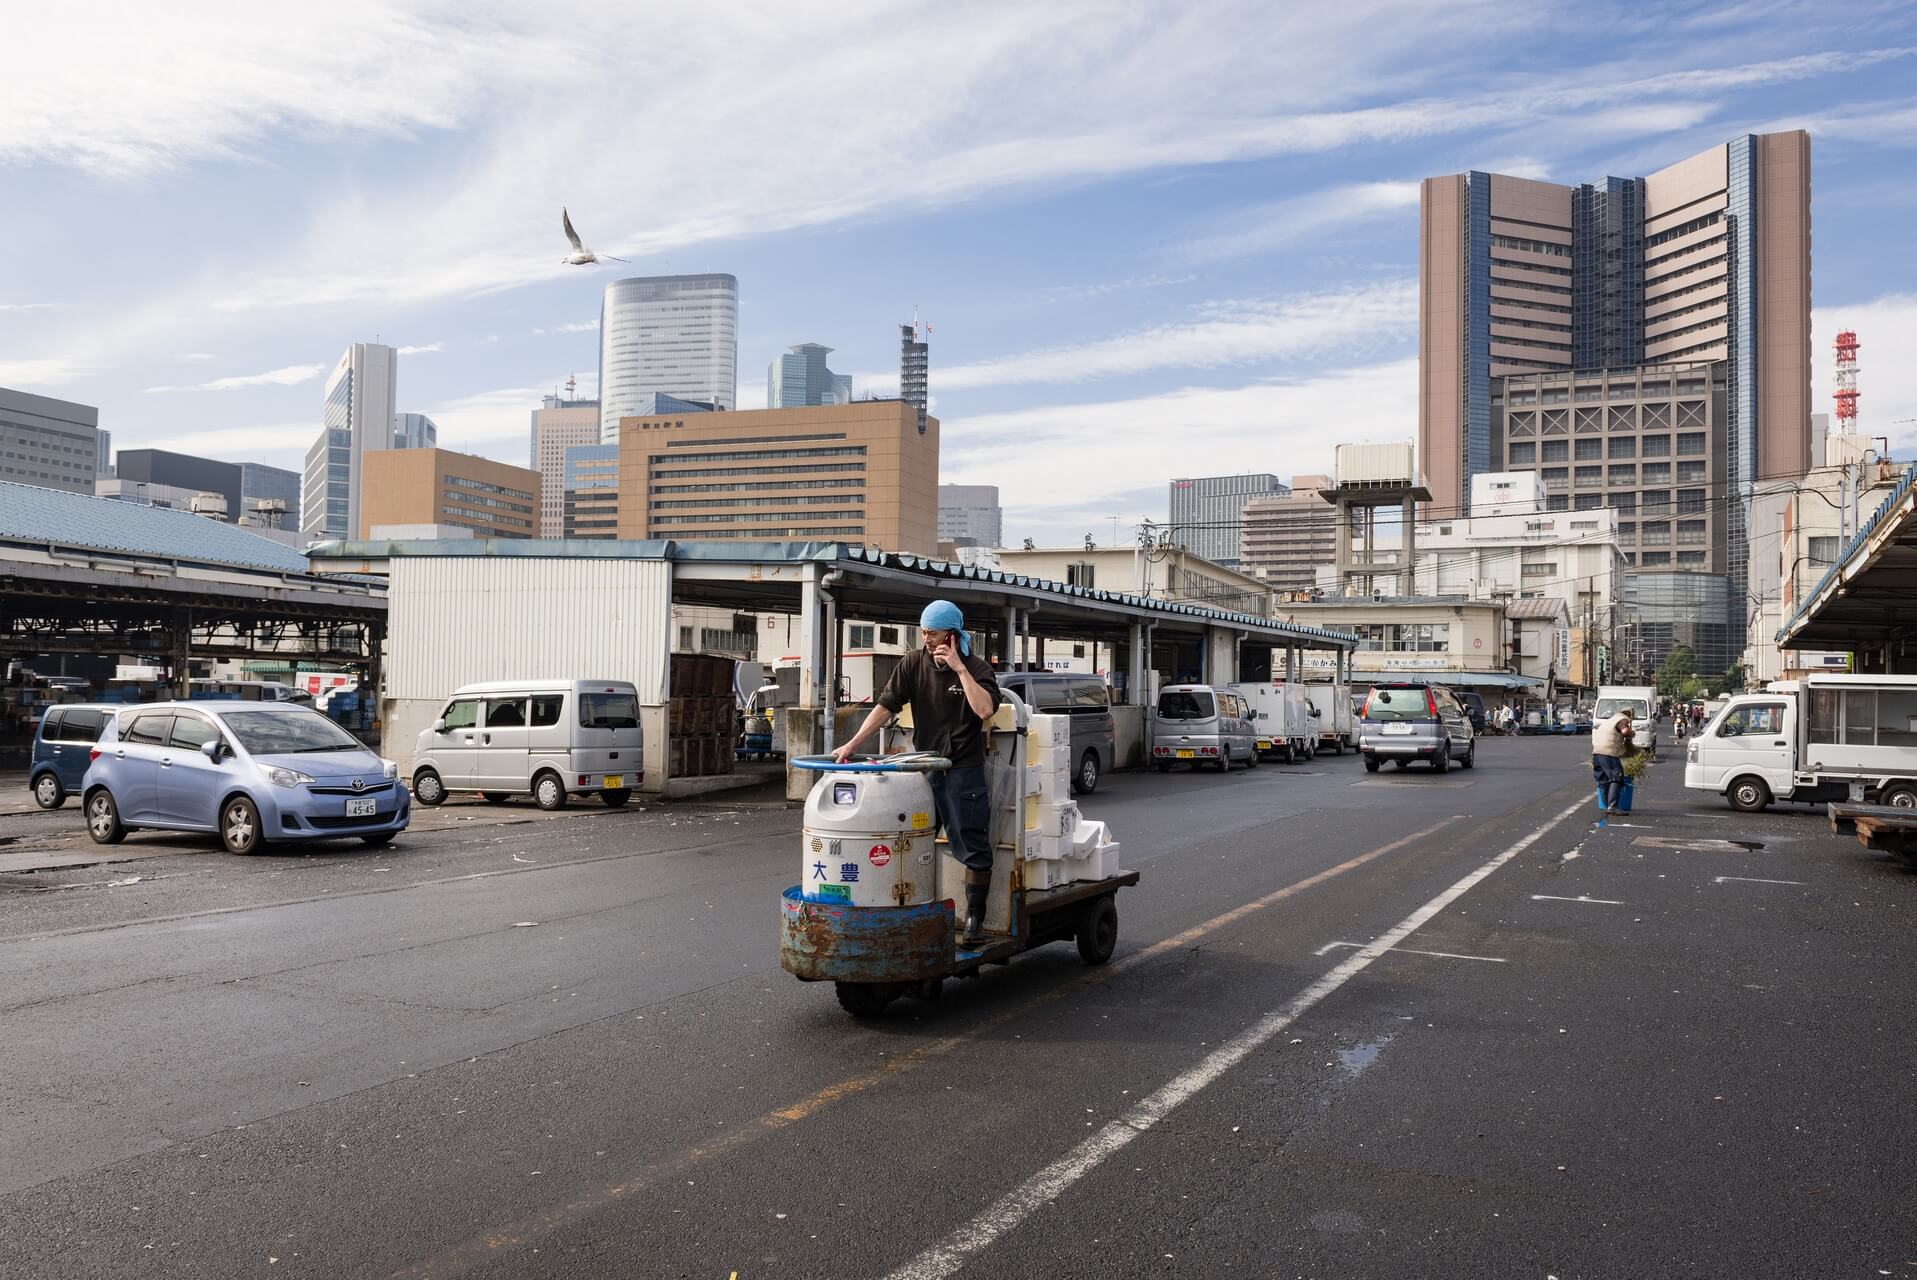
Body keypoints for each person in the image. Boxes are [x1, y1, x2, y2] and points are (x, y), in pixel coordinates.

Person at [834, 600, 1002, 943]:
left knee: (971, 843)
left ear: (953, 635)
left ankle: (974, 921)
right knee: (911, 839)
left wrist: (959, 668)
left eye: (934, 632)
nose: (926, 638)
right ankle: (912, 911)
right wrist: (852, 744)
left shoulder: (978, 667)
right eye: (923, 631)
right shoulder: (913, 663)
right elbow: (886, 706)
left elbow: (984, 710)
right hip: (925, 766)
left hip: (963, 767)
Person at [1591, 705, 1635, 825]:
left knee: (1604, 780)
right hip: (1608, 753)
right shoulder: (1622, 719)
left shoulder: (1609, 721)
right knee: (1617, 777)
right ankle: (1613, 806)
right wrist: (1632, 733)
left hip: (1596, 753)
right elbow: (1625, 731)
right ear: (1629, 715)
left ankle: (1607, 806)